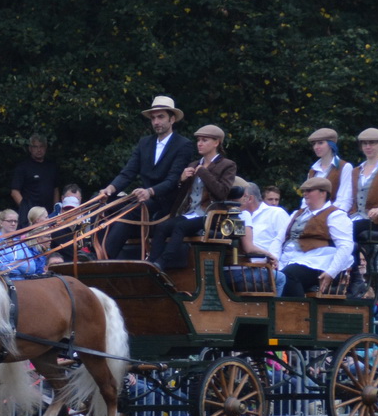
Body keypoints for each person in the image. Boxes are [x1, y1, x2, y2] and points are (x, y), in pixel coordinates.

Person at [97, 95, 195, 259]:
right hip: (143, 198)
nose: (156, 122)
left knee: (130, 210)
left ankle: (104, 257)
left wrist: (150, 191)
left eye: (161, 117)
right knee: (101, 202)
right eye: (153, 118)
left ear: (172, 119)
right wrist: (109, 189)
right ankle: (91, 250)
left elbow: (172, 180)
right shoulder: (144, 143)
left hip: (165, 202)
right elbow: (128, 172)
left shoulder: (183, 145)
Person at [148, 123, 238, 271]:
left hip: (210, 215)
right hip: (190, 213)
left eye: (204, 140)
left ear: (216, 142)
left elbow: (222, 192)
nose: (200, 144)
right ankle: (151, 263)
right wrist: (181, 180)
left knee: (180, 227)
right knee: (162, 227)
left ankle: (163, 263)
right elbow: (182, 194)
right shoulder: (194, 164)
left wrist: (203, 172)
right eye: (198, 140)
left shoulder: (227, 165)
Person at [279, 176, 354, 297]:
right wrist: (273, 258)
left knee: (289, 275)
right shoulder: (297, 213)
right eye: (304, 191)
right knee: (274, 276)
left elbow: (345, 245)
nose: (305, 194)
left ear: (323, 193)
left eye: (309, 191)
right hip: (290, 258)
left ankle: (299, 313)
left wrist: (331, 272)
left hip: (317, 261)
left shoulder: (336, 215)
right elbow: (278, 239)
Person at [237, 181, 291, 295]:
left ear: (249, 198)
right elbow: (248, 247)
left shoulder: (276, 213)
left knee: (279, 277)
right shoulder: (241, 214)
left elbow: (285, 242)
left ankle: (274, 310)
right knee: (279, 278)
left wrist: (274, 261)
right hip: (244, 266)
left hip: (265, 267)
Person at [10, 134, 58, 212]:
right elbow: (14, 192)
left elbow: (55, 189)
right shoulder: (23, 167)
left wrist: (56, 210)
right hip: (31, 214)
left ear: (46, 148)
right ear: (30, 148)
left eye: (41, 146)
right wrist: (26, 210)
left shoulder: (51, 166)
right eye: (35, 147)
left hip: (49, 213)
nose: (39, 150)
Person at [304, 127, 351, 200]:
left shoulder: (345, 167)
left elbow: (344, 200)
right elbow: (306, 199)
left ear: (331, 144)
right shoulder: (313, 171)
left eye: (320, 143)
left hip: (335, 210)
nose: (316, 147)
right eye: (314, 144)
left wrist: (329, 211)